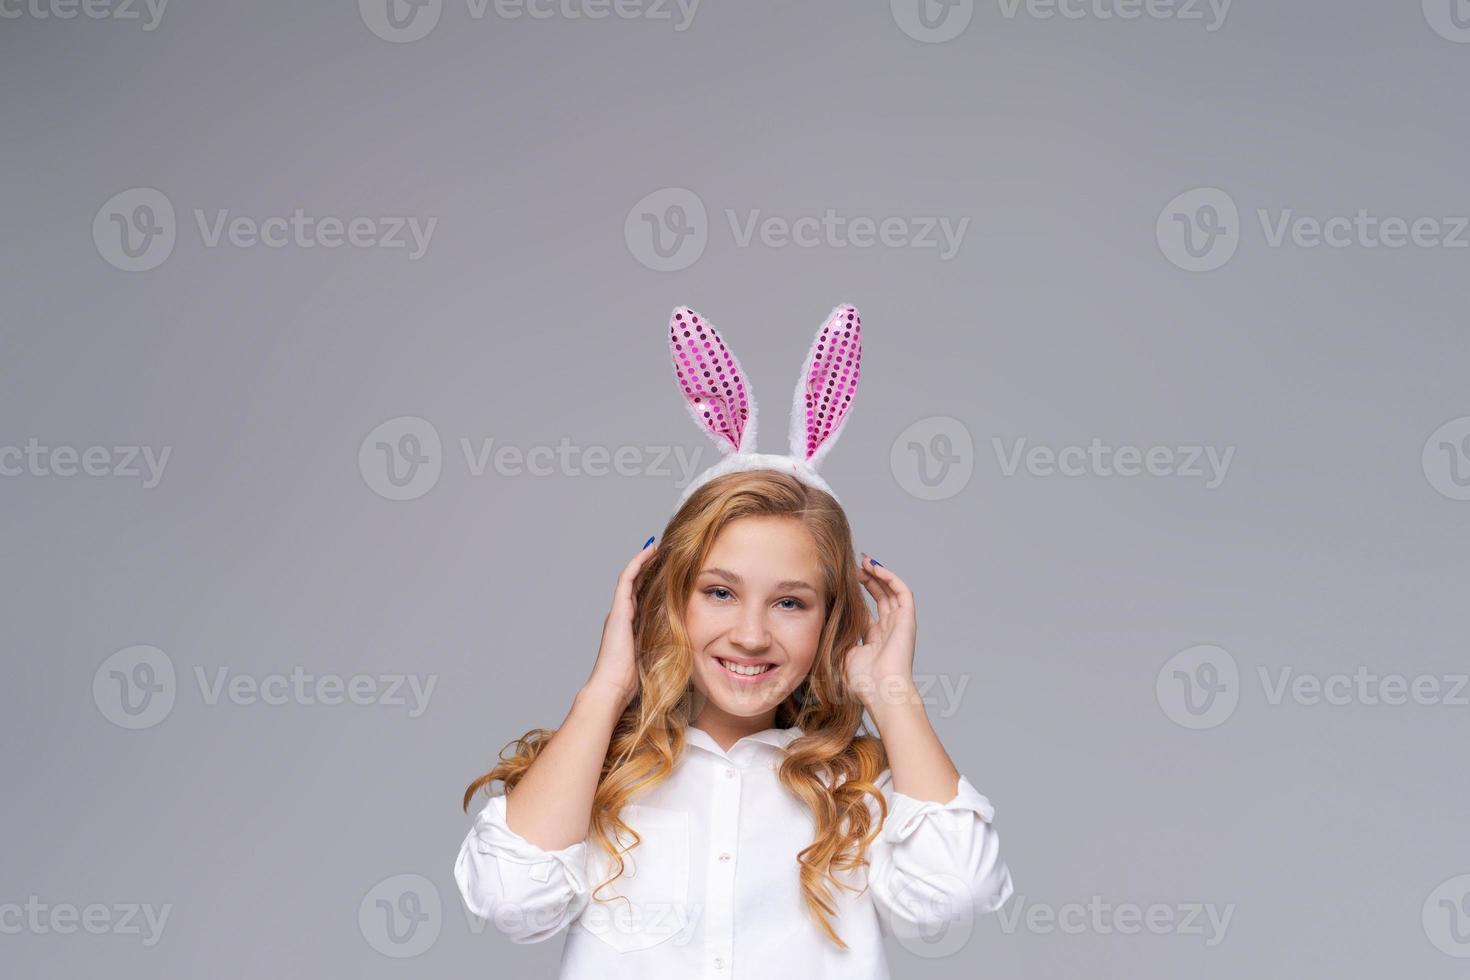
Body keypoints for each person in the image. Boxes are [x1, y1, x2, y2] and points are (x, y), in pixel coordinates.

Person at [454, 306, 1014, 978]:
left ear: (831, 619)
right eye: (719, 592)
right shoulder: (597, 777)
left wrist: (891, 694)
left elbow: (954, 894)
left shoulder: (860, 791)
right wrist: (608, 687)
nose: (751, 635)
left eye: (790, 602)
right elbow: (513, 901)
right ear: (667, 596)